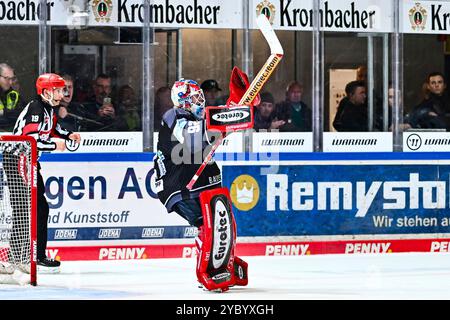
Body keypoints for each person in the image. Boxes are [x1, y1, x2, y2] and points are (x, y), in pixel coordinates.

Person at [153, 78, 247, 292]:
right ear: (183, 99)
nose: (201, 101)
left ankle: (222, 264)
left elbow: (222, 124)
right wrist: (225, 118)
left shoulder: (198, 117)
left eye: (201, 97)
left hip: (195, 182)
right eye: (196, 97)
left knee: (225, 224)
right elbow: (193, 137)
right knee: (207, 227)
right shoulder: (174, 115)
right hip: (178, 185)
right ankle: (209, 267)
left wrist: (240, 108)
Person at [11, 73, 81, 272]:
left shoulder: (49, 109)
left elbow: (52, 128)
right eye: (58, 90)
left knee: (39, 208)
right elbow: (30, 139)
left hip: (30, 162)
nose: (62, 93)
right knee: (28, 209)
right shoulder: (36, 107)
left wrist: (68, 135)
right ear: (46, 91)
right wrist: (54, 145)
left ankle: (35, 255)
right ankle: (25, 256)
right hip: (19, 161)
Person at [0, 63, 23, 131]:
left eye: (12, 79)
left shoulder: (13, 94)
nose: (10, 82)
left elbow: (22, 114)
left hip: (10, 135)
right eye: (7, 78)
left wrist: (3, 112)